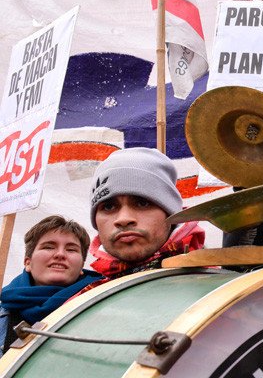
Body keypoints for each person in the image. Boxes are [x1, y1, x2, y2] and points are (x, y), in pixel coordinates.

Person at [87, 148, 205, 281]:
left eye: (142, 203)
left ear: (172, 214)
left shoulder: (223, 293)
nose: (124, 219)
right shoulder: (84, 299)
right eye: (108, 206)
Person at [0, 216, 102, 353]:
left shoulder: (102, 305)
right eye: (48, 247)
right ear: (28, 263)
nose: (60, 254)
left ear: (81, 268)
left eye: (71, 249)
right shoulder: (5, 312)